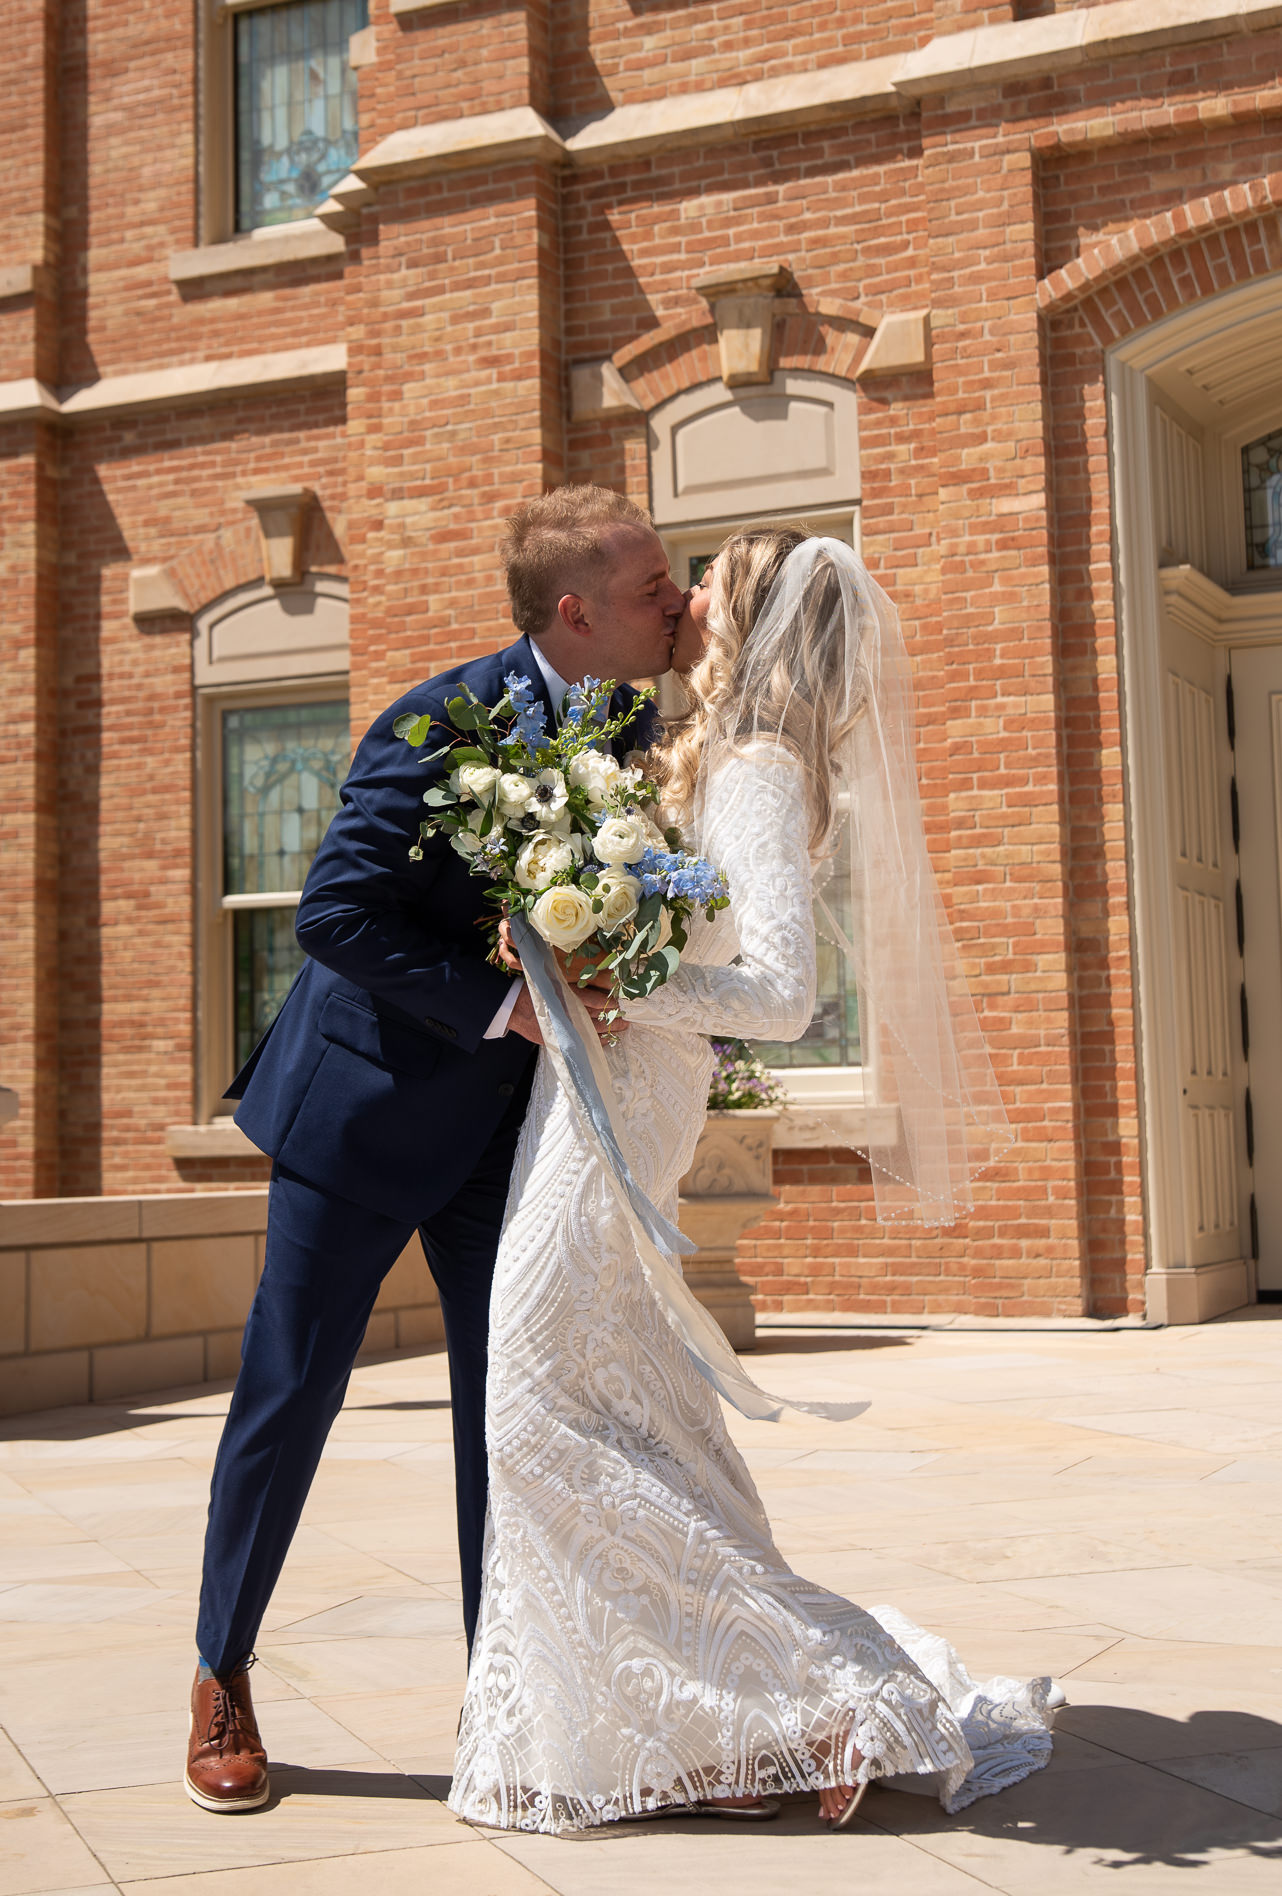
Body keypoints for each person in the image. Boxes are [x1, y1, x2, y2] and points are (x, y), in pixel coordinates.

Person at [449, 528, 1054, 1835]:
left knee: (530, 1410)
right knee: (630, 1411)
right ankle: (716, 1728)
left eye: (706, 580)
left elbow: (781, 997)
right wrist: (557, 937)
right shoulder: (707, 753)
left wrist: (616, 975)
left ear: (751, 613)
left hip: (638, 1090)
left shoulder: (761, 766)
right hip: (593, 1086)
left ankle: (817, 1701)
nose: (684, 597)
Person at [185, 485, 686, 1813]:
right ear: (573, 611)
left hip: (503, 1137)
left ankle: (500, 1700)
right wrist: (502, 1004)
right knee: (289, 1397)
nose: (676, 606)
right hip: (357, 1117)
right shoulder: (434, 720)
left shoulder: (630, 723)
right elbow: (334, 913)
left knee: (505, 1418)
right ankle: (220, 1673)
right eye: (654, 590)